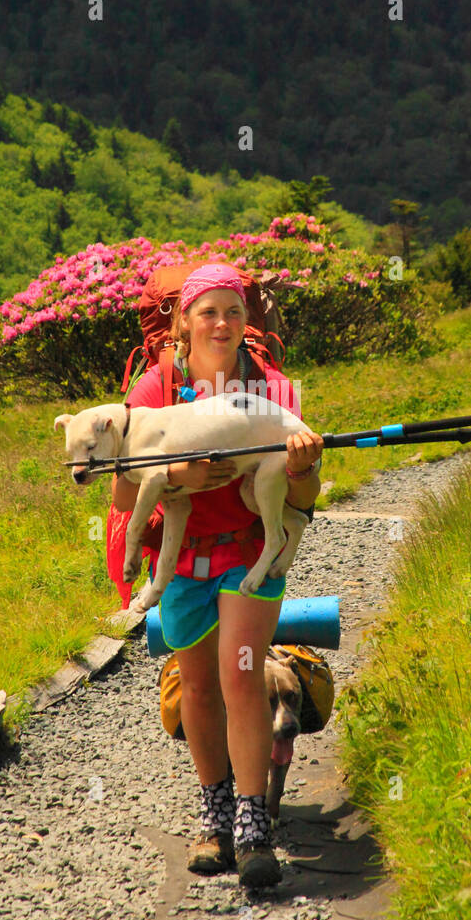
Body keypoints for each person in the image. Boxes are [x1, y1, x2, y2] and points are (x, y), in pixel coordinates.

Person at [113, 264, 323, 887]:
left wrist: (304, 465)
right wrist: (173, 478)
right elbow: (125, 496)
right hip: (181, 561)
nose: (222, 323)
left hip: (250, 552)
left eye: (233, 311)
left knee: (240, 676)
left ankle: (252, 825)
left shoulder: (275, 391)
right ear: (182, 321)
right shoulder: (152, 393)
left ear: (247, 319)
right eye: (208, 312)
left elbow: (304, 493)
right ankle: (215, 811)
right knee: (199, 687)